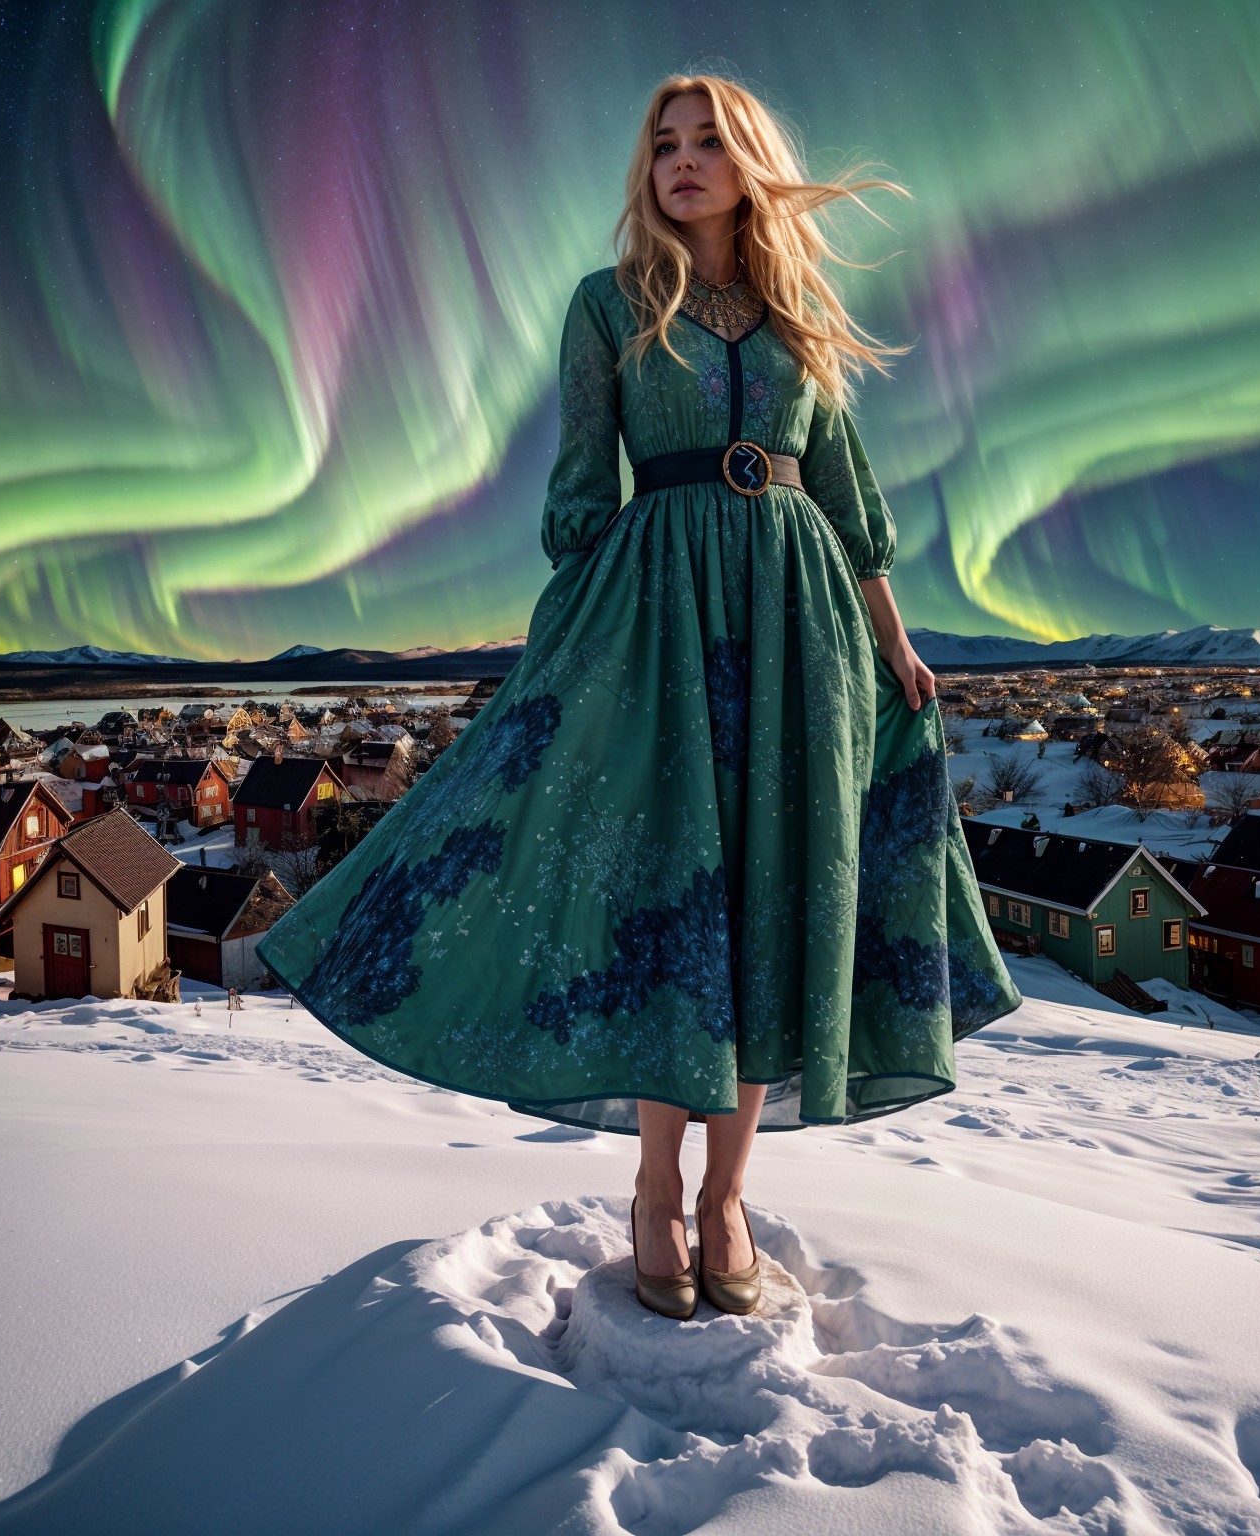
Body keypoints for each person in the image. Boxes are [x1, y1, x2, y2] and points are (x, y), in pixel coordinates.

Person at [253, 72, 1021, 1323]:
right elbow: (577, 488)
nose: (680, 160)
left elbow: (849, 499)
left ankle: (730, 1198)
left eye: (707, 140)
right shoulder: (606, 307)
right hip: (659, 620)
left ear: (750, 162)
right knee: (679, 906)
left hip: (803, 625)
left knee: (774, 903)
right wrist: (577, 635)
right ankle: (657, 1190)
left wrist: (895, 642)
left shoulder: (799, 321)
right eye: (662, 143)